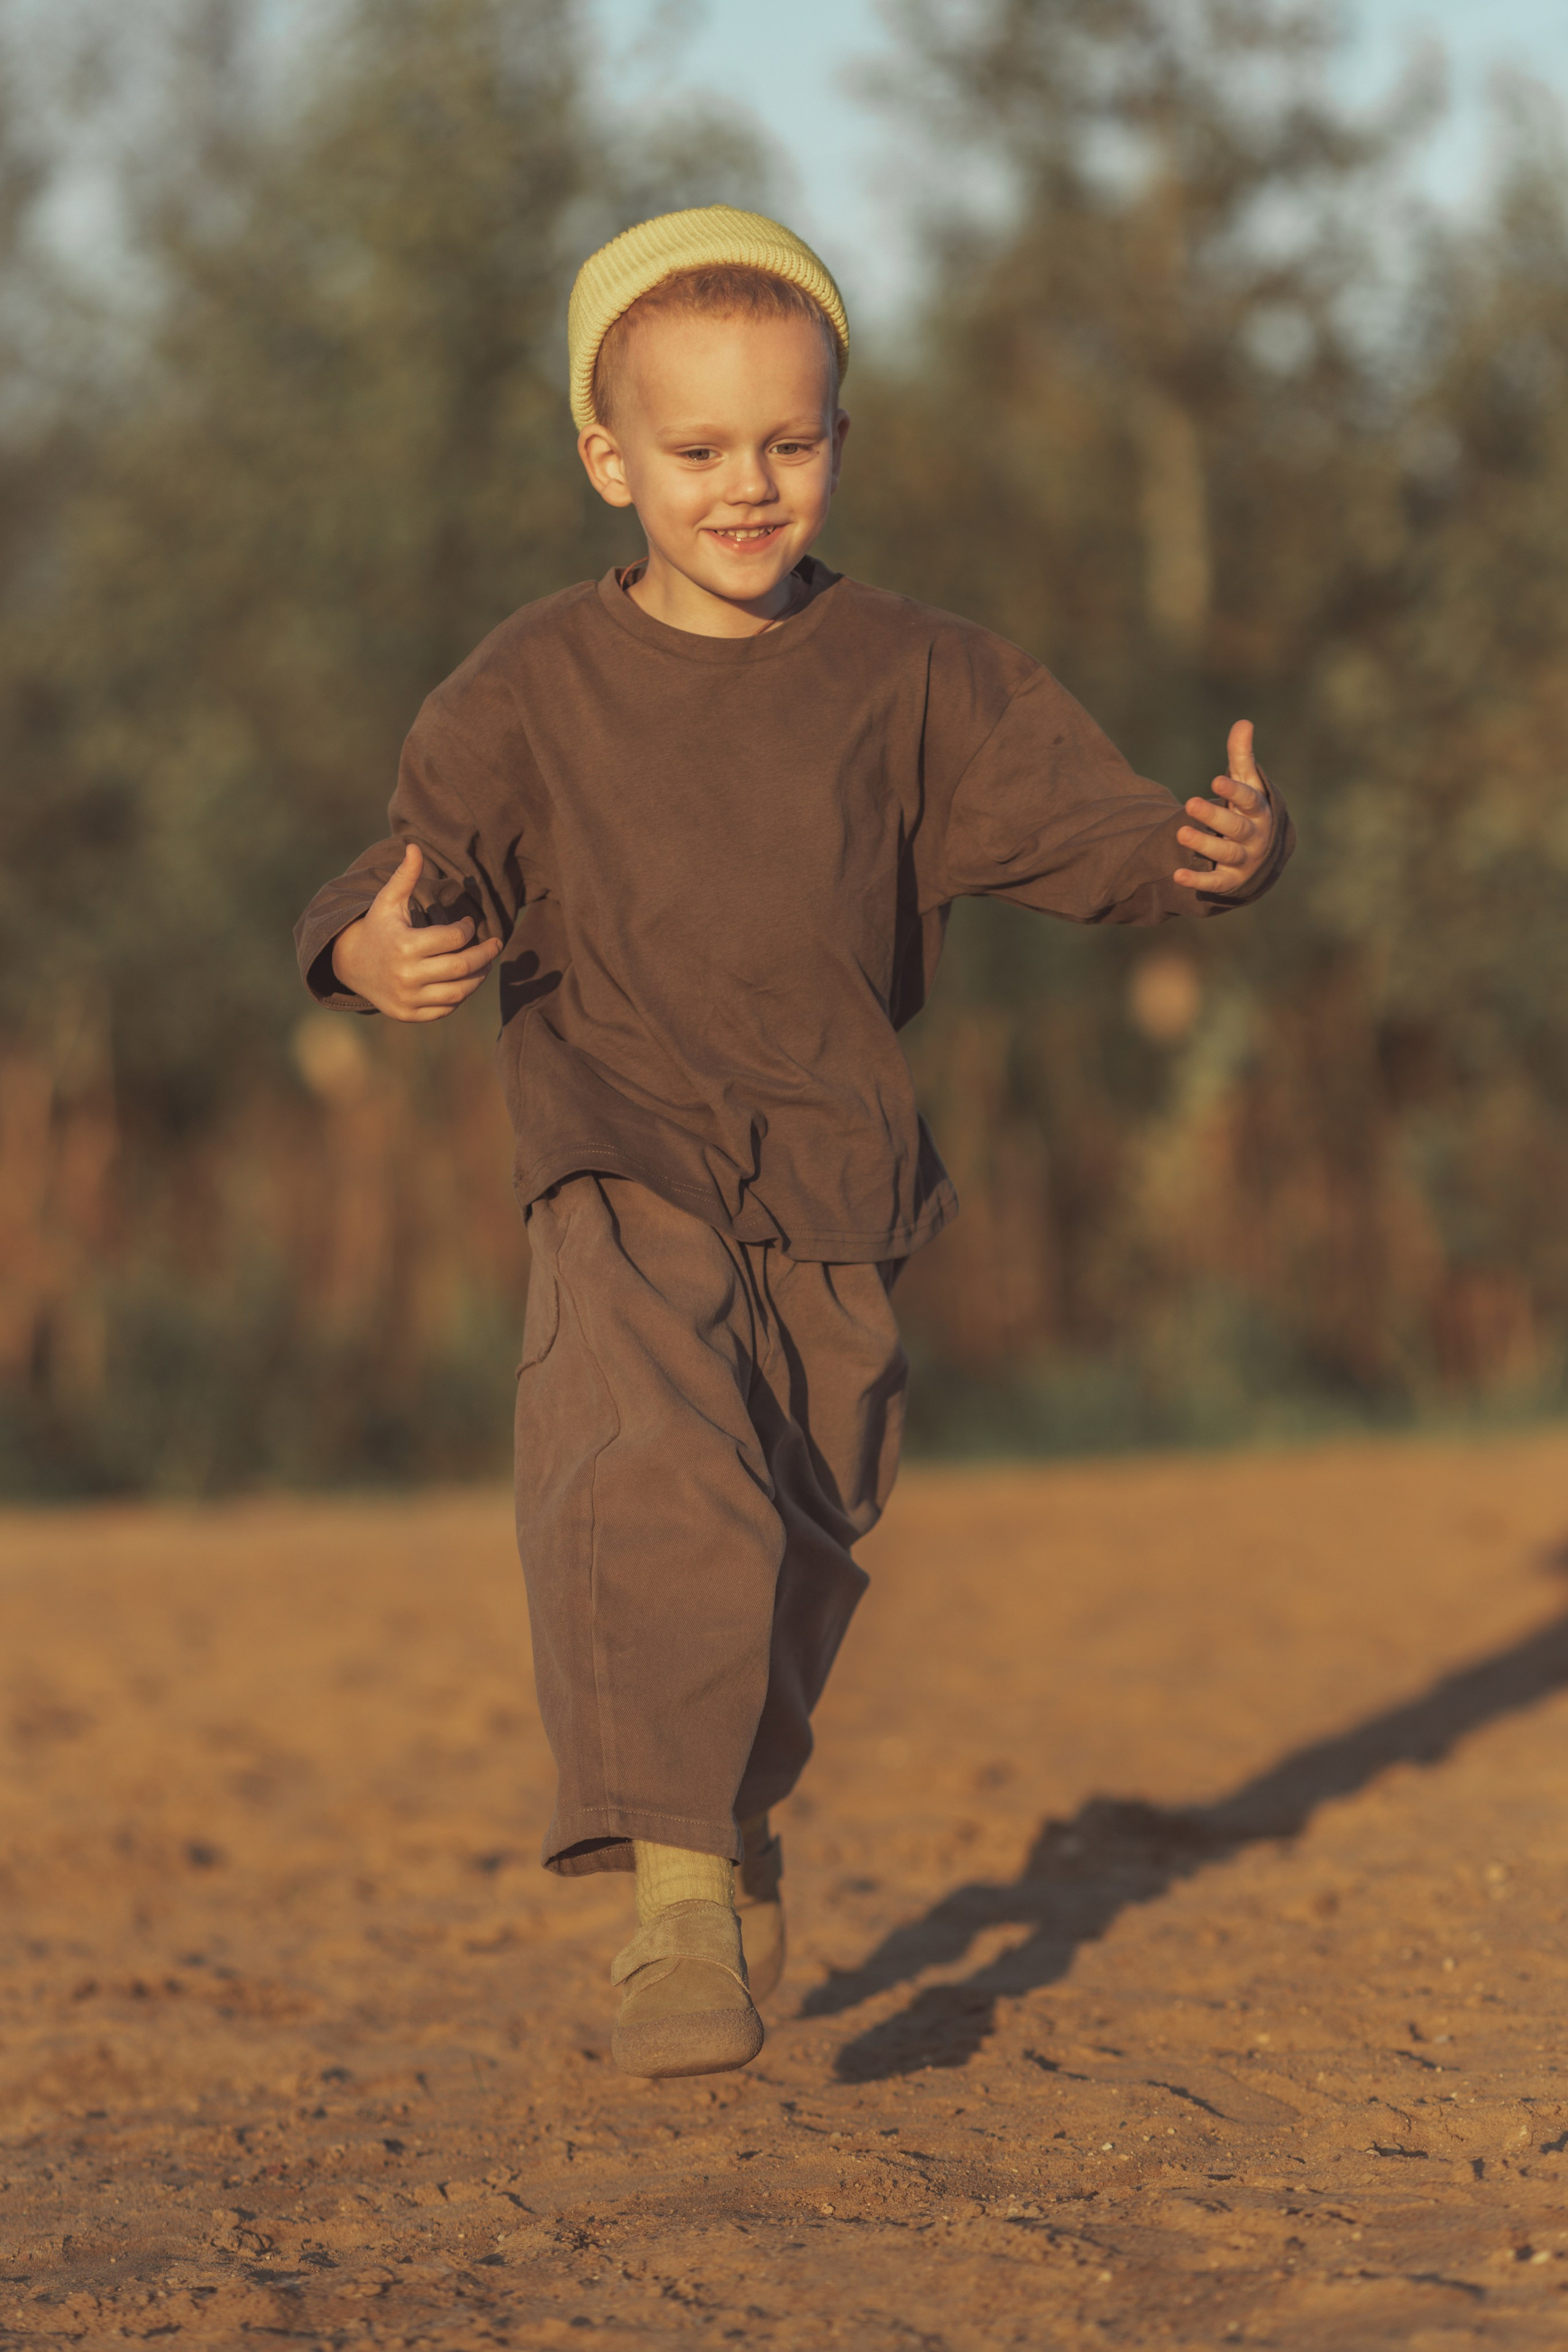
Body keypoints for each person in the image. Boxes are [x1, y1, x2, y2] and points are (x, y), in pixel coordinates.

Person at [294, 205, 1294, 2081]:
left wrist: (1204, 853)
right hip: (619, 1152)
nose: (748, 487)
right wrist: (364, 944)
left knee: (802, 1546)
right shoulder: (528, 687)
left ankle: (731, 1808)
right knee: (650, 1479)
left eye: (791, 441)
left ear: (840, 432)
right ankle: (676, 1897)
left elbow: (1081, 825)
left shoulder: (917, 674)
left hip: (837, 1181)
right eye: (696, 452)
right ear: (608, 460)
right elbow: (412, 854)